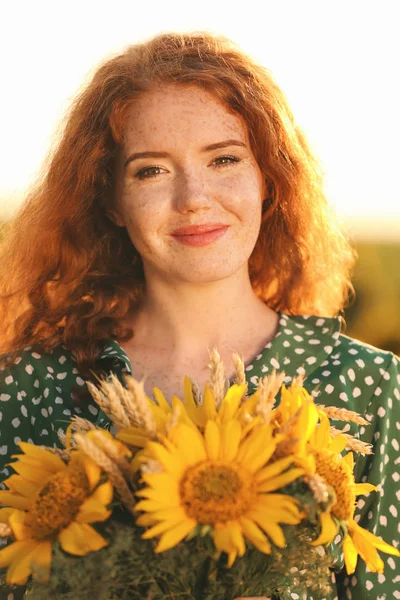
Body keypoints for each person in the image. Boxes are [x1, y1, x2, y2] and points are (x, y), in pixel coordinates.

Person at [0, 32, 398, 600]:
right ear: (110, 200)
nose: (194, 197)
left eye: (224, 159)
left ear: (269, 179)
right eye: (151, 171)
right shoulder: (28, 388)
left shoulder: (370, 388)